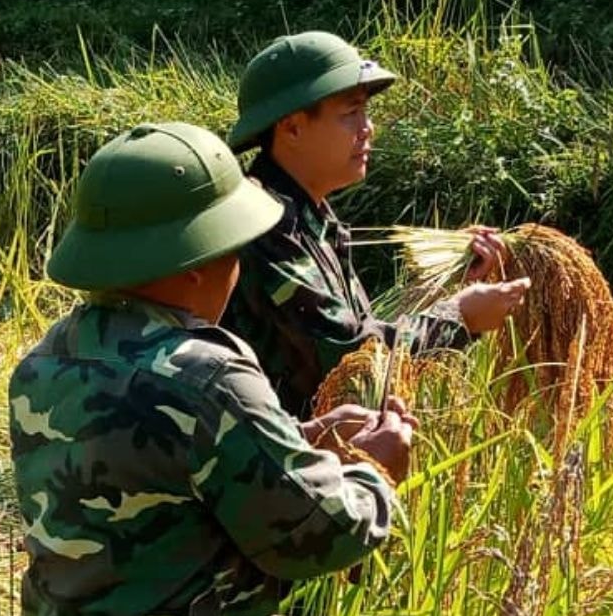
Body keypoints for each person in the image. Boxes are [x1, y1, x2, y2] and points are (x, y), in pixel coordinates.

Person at [8, 121, 408, 616]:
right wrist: (377, 473)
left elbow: (156, 477)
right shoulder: (207, 374)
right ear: (200, 261)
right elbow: (314, 533)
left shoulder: (51, 360)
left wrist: (295, 440)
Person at [221, 31, 529, 423]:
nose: (367, 128)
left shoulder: (309, 218)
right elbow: (350, 354)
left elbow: (356, 329)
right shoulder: (264, 224)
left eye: (366, 112)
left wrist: (456, 279)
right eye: (350, 113)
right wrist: (460, 317)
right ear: (292, 128)